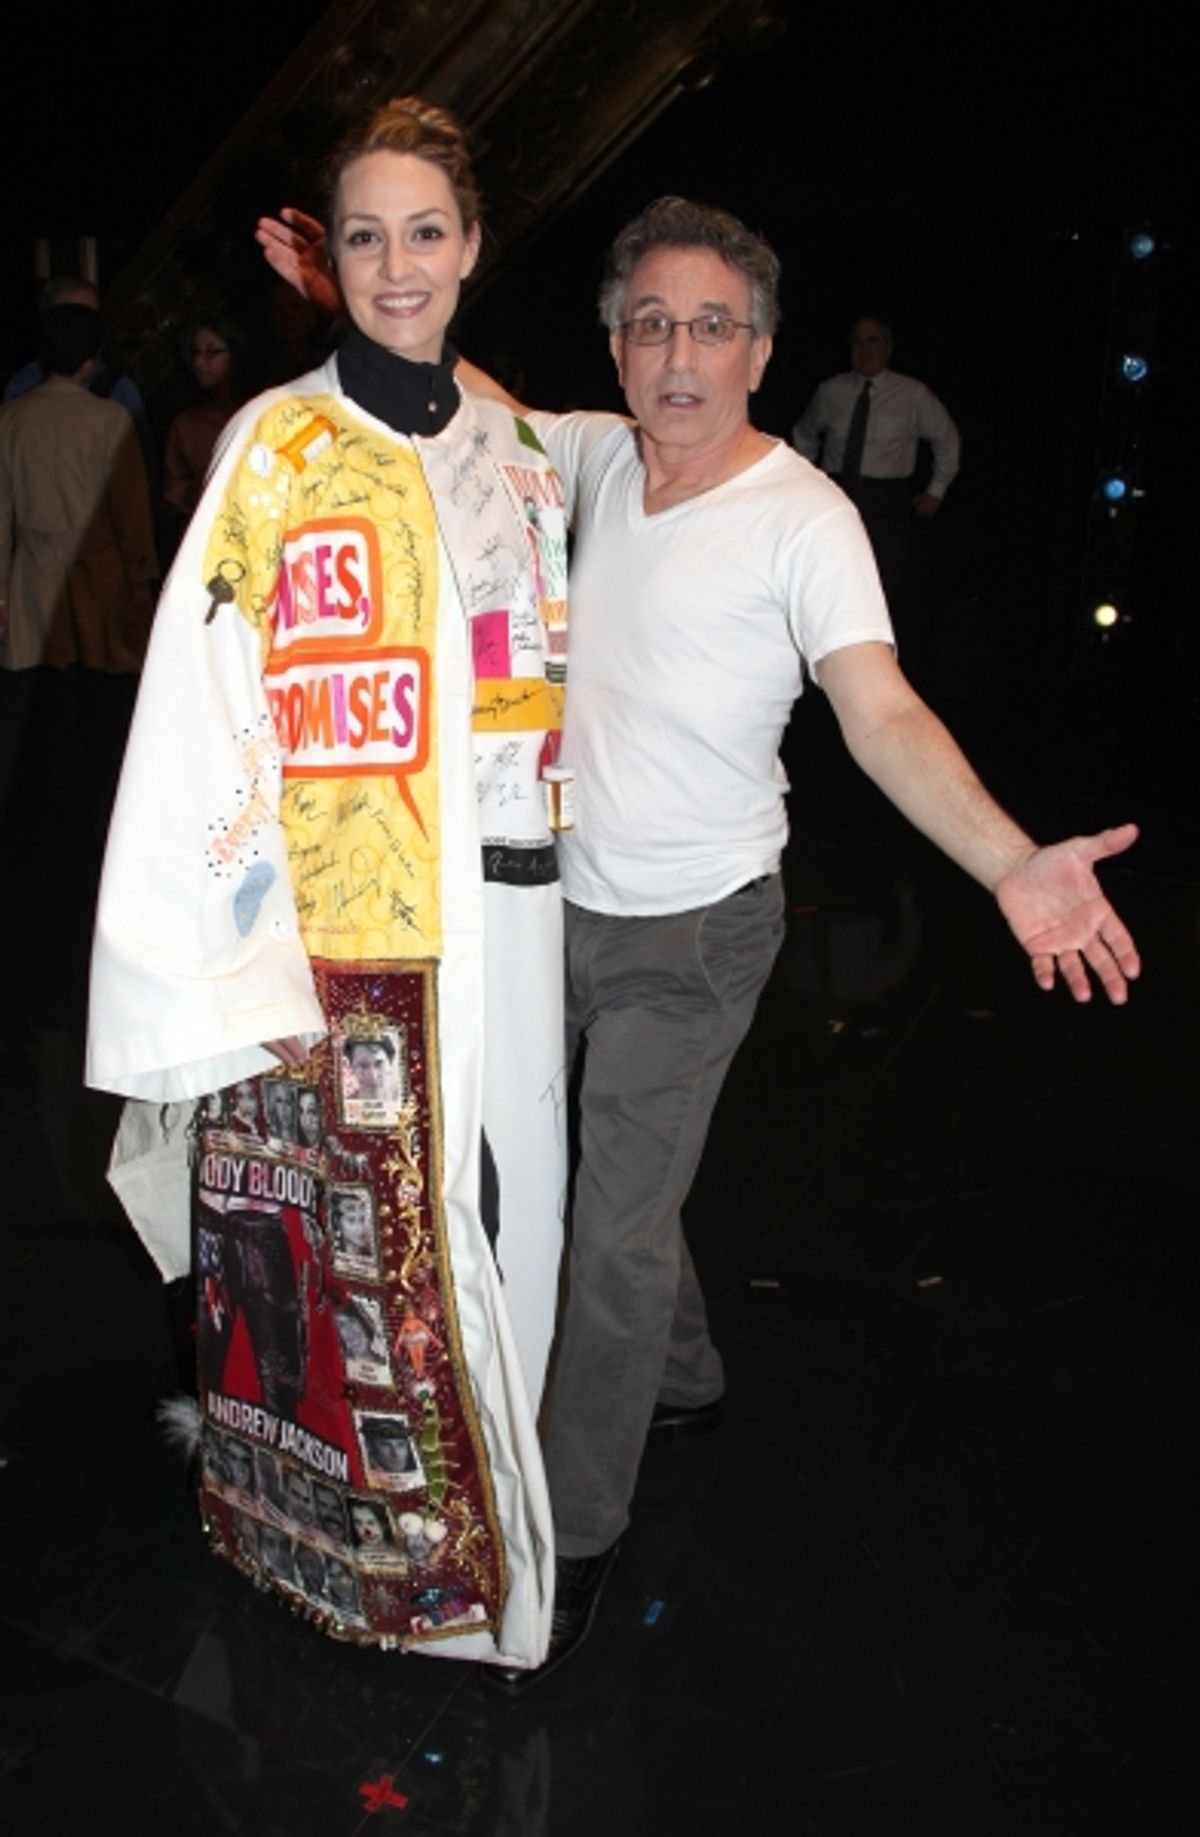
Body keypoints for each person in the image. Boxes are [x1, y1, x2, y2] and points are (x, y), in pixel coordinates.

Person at [259, 198, 1140, 1691]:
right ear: (617, 345)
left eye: (714, 326)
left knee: (607, 1224)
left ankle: (570, 1533)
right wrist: (358, 296)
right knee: (608, 1177)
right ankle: (686, 1370)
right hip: (557, 905)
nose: (681, 355)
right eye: (653, 324)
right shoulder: (593, 457)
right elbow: (467, 390)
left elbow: (879, 708)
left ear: (763, 351)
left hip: (698, 930)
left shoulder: (806, 518)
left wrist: (1008, 859)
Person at [88, 98, 569, 1672]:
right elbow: (201, 703)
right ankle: (397, 1587)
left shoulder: (515, 451)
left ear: (473, 244)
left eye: (426, 230)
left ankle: (489, 1561)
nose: (398, 263)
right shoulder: (276, 449)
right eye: (366, 235)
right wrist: (227, 952)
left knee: (509, 1227)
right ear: (327, 261)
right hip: (341, 937)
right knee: (371, 1273)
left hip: (511, 911)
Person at [791, 316, 960, 606]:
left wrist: (936, 490)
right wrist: (805, 482)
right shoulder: (831, 391)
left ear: (888, 347)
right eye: (857, 342)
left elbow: (948, 439)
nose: (864, 350)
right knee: (827, 582)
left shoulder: (912, 394)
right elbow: (804, 436)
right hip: (836, 494)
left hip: (885, 503)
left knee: (878, 589)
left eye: (872, 341)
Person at [161, 315, 251, 532]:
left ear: (236, 355)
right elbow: (174, 493)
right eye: (196, 353)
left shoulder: (263, 411)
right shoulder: (186, 424)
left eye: (211, 353)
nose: (200, 363)